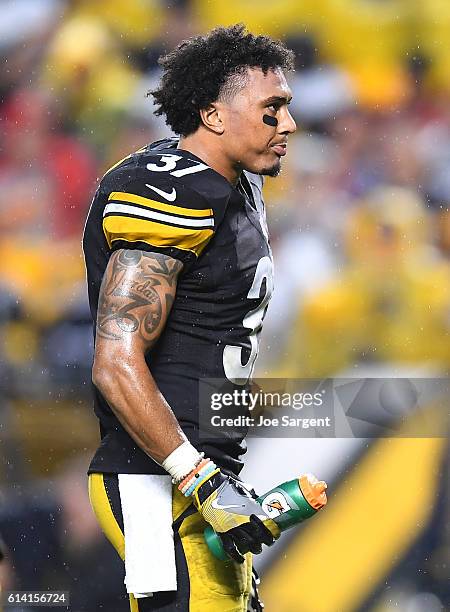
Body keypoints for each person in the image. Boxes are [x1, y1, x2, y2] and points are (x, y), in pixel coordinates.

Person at [83, 24, 296, 612]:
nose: (289, 124)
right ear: (214, 114)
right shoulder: (168, 188)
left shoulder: (235, 186)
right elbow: (115, 361)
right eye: (271, 108)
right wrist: (198, 478)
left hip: (201, 476)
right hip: (157, 479)